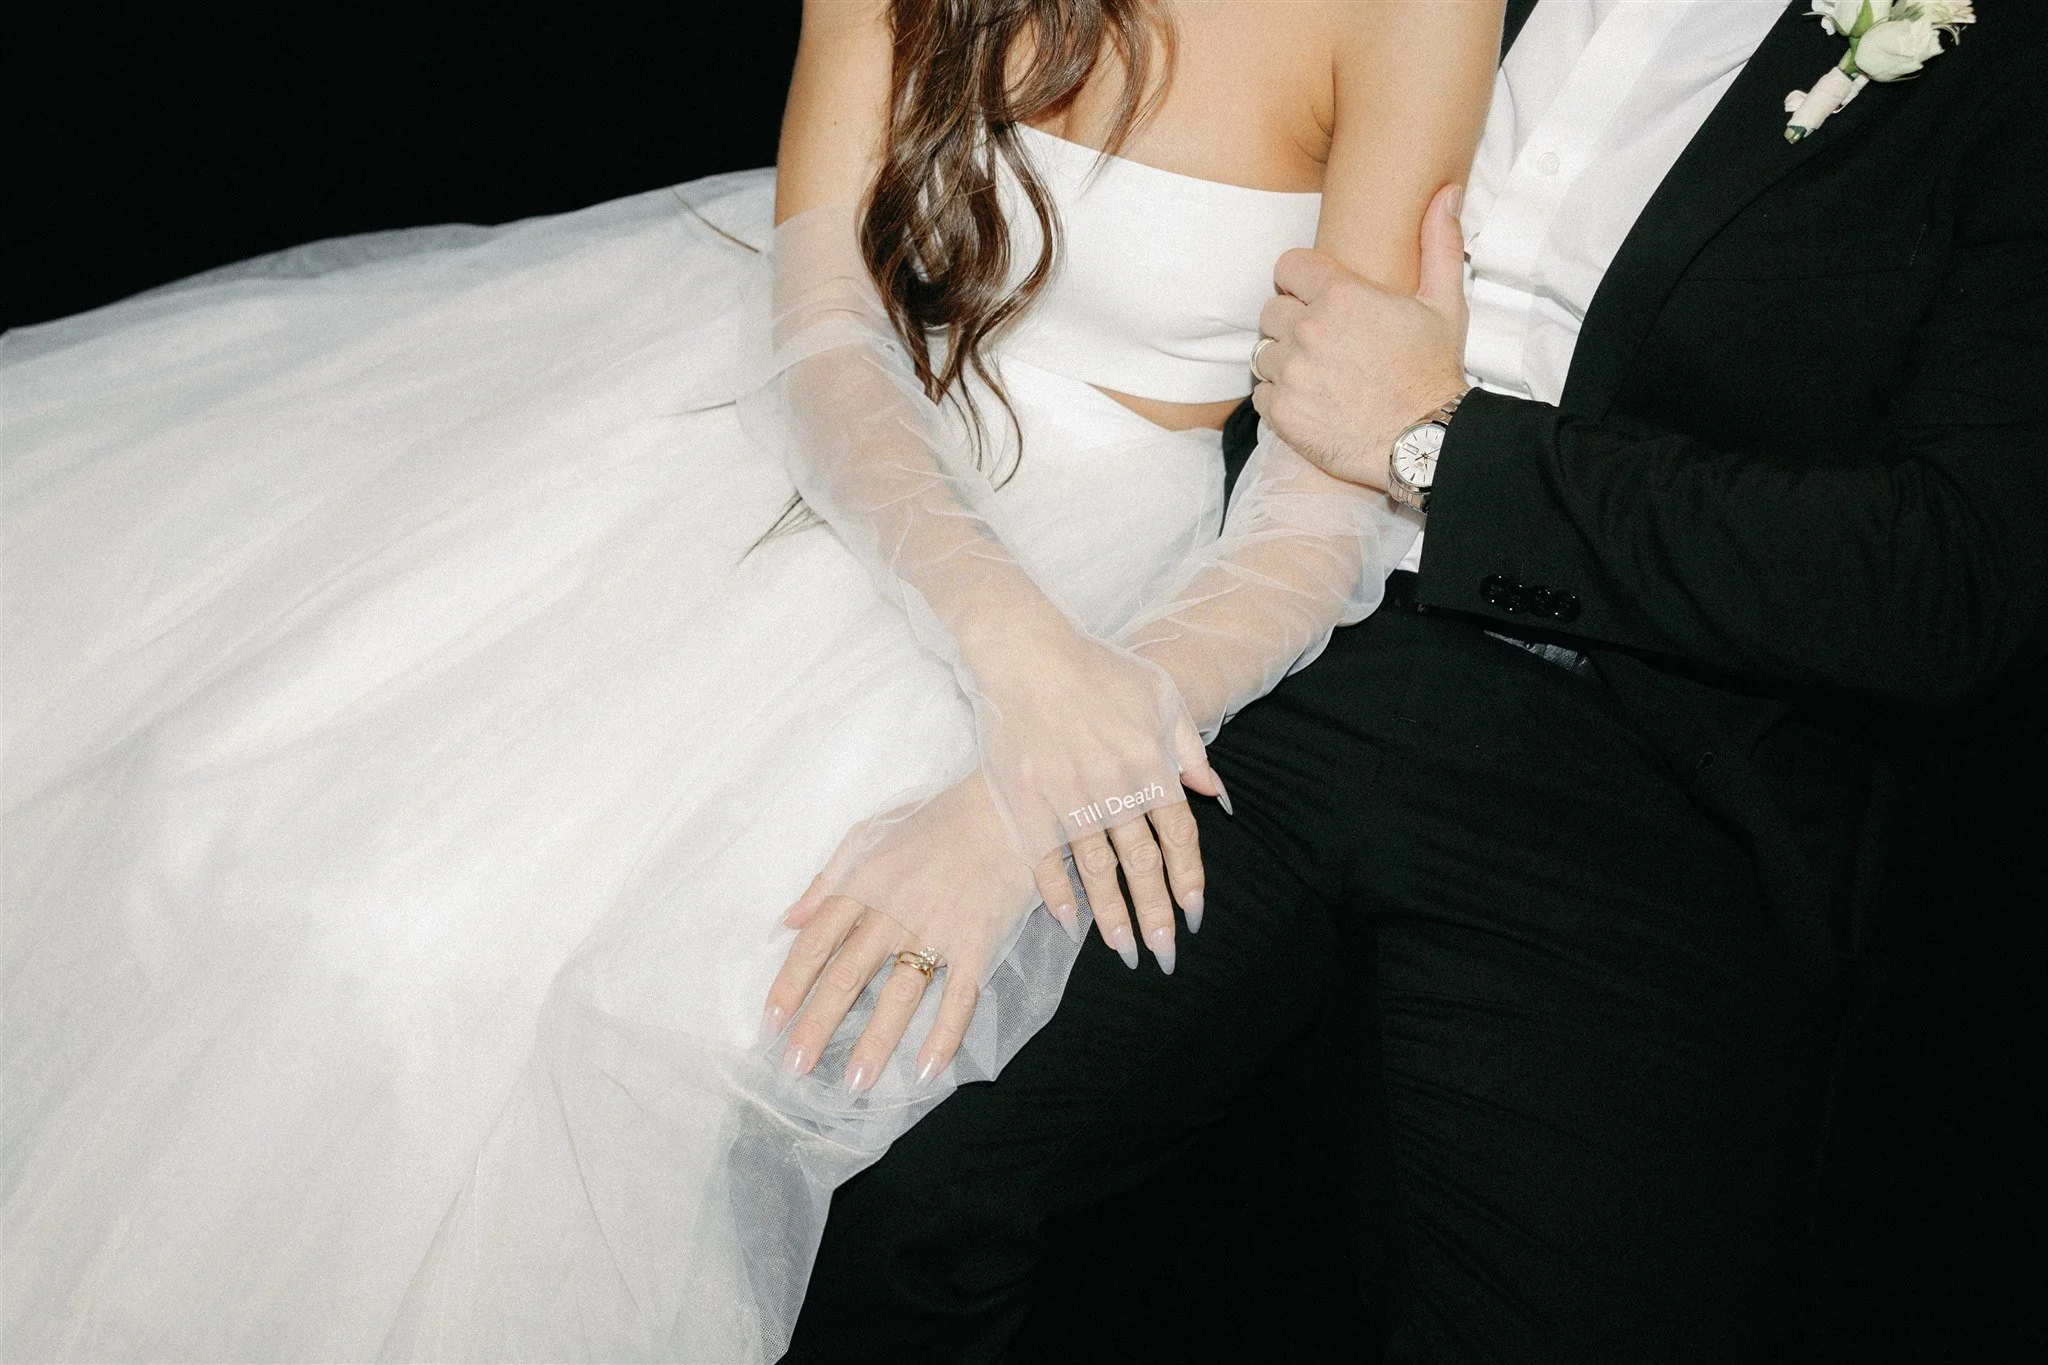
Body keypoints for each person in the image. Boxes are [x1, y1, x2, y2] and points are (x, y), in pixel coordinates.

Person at [0, 2, 1498, 1361]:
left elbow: (1329, 488)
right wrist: (1016, 654)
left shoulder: (1415, 14)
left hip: (1102, 532)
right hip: (781, 427)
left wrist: (1052, 760)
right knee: (246, 830)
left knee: (649, 1022)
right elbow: (828, 329)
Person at [789, 0, 2048, 1360]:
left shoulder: (2004, 64)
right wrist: (1029, 762)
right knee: (875, 1158)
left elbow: (1949, 579)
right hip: (1264, 652)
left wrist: (1453, 450)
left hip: (1645, 763)